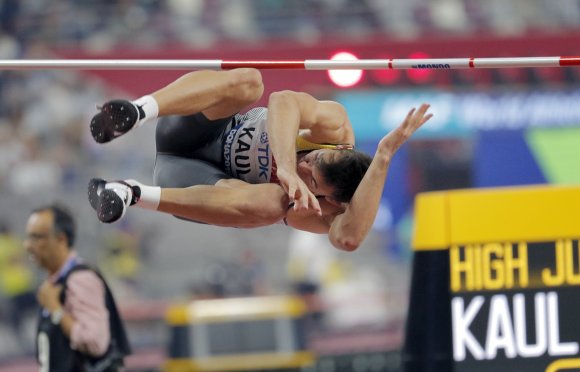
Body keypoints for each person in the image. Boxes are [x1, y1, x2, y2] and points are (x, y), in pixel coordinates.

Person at [88, 68, 432, 251]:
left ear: (330, 199)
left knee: (274, 204)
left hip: (190, 180)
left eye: (312, 180)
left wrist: (384, 156)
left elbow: (349, 239)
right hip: (195, 129)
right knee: (250, 82)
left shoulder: (325, 211)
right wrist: (285, 165)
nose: (305, 166)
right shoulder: (335, 125)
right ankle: (138, 110)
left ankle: (129, 193)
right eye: (313, 158)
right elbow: (283, 100)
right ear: (337, 149)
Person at [24, 204, 131, 371]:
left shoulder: (81, 280)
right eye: (29, 237)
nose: (28, 245)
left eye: (37, 237)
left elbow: (95, 342)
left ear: (61, 239)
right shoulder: (54, 284)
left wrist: (56, 310)